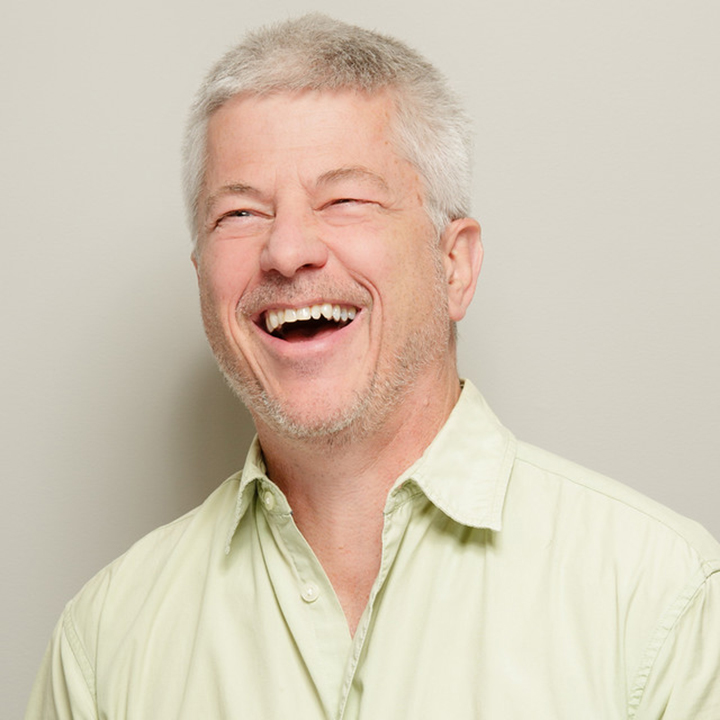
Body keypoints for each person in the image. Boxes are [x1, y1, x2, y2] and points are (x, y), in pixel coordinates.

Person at [26, 14, 720, 719]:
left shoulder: (660, 601)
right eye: (239, 213)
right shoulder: (103, 645)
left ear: (454, 265)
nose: (286, 251)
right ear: (202, 274)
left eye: (345, 200)